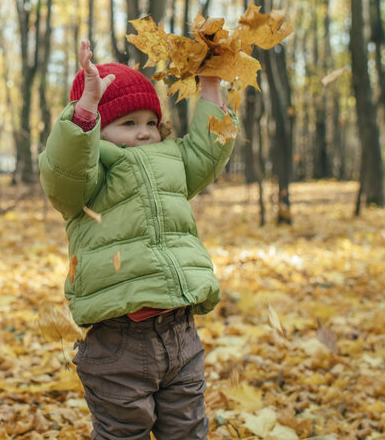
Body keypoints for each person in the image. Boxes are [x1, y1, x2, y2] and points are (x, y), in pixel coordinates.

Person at [38, 41, 236, 439]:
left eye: (150, 122)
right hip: (118, 343)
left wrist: (211, 85)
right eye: (128, 124)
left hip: (180, 335)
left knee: (188, 429)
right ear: (99, 130)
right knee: (122, 432)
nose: (144, 132)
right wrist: (85, 112)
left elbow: (208, 150)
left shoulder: (171, 160)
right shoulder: (91, 175)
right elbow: (65, 172)